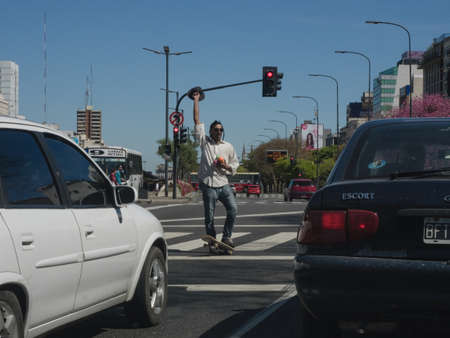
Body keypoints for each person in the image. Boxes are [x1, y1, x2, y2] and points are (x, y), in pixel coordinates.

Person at [192, 91, 239, 254]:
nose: (219, 132)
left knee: (233, 209)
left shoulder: (228, 146)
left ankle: (227, 237)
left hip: (223, 183)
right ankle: (212, 240)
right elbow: (197, 121)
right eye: (216, 129)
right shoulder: (205, 142)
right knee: (209, 216)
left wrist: (226, 166)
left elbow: (235, 165)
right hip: (208, 184)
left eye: (221, 130)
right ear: (211, 131)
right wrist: (196, 100)